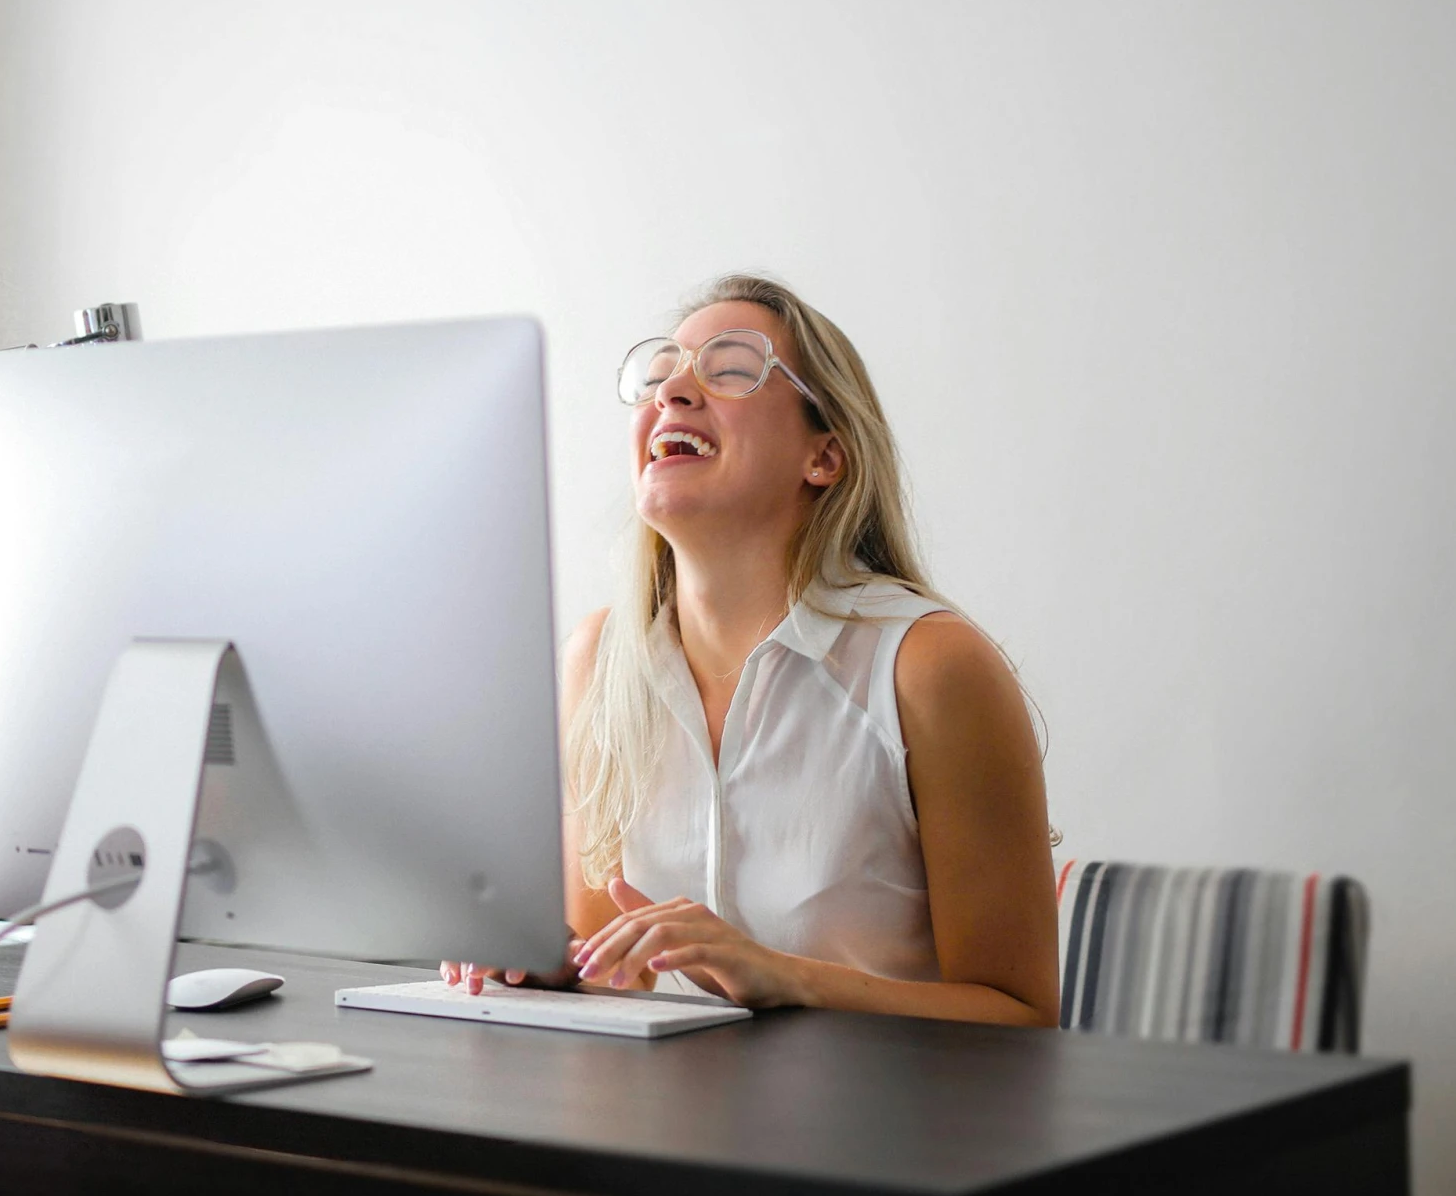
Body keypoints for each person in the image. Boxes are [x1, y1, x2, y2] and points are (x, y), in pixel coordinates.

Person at [443, 274, 1059, 1024]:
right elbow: (614, 967)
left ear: (824, 456)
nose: (674, 391)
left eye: (731, 367)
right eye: (662, 374)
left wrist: (784, 976)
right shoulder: (596, 660)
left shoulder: (932, 668)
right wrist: (542, 966)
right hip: (654, 1129)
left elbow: (1023, 1016)